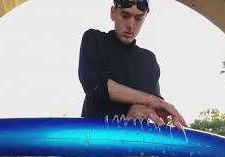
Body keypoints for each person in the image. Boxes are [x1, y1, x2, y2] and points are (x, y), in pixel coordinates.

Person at [78, 0, 187, 128]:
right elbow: (95, 85)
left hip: (137, 144)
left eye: (138, 19)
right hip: (95, 139)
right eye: (125, 15)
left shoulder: (149, 60)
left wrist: (141, 106)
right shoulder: (94, 38)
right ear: (113, 13)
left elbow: (156, 103)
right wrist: (149, 100)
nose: (131, 24)